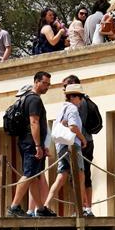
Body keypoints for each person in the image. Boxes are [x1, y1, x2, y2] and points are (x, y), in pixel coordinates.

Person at [37, 84, 88, 217]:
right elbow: (73, 127)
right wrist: (83, 139)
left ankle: (46, 206)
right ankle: (82, 209)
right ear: (73, 97)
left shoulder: (62, 108)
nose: (81, 100)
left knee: (61, 177)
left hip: (61, 146)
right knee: (80, 176)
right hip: (72, 145)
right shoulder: (72, 109)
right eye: (80, 97)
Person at [7, 72, 51, 217]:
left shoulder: (26, 98)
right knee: (28, 174)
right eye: (45, 83)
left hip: (26, 141)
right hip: (31, 143)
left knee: (34, 176)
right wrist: (38, 145)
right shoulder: (34, 100)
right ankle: (14, 207)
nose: (47, 87)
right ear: (36, 82)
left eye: (48, 84)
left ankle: (40, 208)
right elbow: (34, 122)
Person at [61, 75, 95, 217]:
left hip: (81, 142)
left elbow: (73, 124)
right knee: (80, 176)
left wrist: (81, 139)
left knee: (82, 176)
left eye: (66, 86)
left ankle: (85, 208)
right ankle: (83, 208)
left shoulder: (79, 104)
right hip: (80, 142)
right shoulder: (78, 102)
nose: (63, 89)